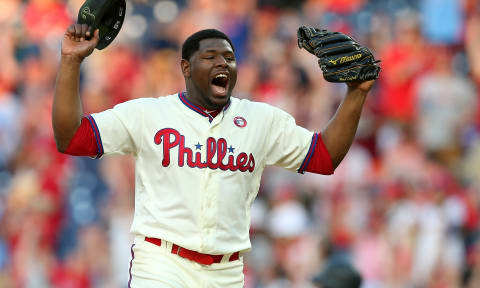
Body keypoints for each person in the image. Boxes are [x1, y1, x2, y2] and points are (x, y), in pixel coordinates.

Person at [52, 24, 376, 287]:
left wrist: (356, 93)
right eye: (210, 57)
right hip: (163, 264)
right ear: (186, 68)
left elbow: (323, 157)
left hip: (226, 272)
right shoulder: (149, 114)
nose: (223, 63)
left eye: (229, 57)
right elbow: (73, 138)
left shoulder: (261, 120)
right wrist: (71, 62)